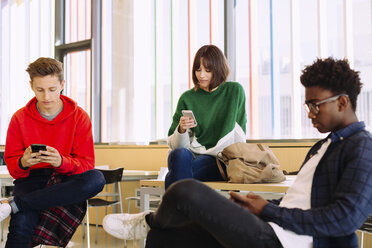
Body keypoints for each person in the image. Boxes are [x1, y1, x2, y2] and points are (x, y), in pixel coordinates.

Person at [102, 57, 372, 248]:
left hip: (285, 241)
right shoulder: (324, 146)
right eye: (307, 106)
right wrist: (257, 207)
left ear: (343, 102)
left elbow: (344, 218)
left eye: (315, 105)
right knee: (166, 236)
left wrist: (268, 211)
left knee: (185, 191)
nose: (310, 114)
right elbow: (302, 205)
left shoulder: (362, 146)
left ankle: (150, 220)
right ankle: (155, 225)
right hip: (275, 227)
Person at [2, 57, 106, 247]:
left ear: (62, 84)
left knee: (96, 178)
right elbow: (14, 168)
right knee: (20, 229)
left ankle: (15, 205)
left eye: (52, 89)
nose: (46, 97)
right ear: (31, 86)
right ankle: (19, 206)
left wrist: (61, 162)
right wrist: (23, 162)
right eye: (40, 90)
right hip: (31, 180)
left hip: (66, 179)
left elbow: (86, 165)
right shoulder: (19, 118)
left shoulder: (79, 117)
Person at [165, 44, 247, 189]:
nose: (201, 75)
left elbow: (239, 135)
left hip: (219, 160)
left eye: (207, 70)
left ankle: (172, 208)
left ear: (218, 69)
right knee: (179, 154)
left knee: (175, 175)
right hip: (190, 157)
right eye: (198, 70)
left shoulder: (234, 91)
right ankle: (181, 210)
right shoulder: (187, 98)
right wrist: (182, 130)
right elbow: (175, 145)